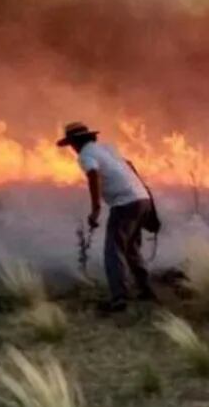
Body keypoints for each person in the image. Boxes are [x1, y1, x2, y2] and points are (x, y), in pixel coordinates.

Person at [57, 122, 155, 314]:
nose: (72, 149)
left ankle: (119, 298)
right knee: (131, 248)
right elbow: (130, 165)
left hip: (125, 203)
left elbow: (93, 175)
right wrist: (144, 194)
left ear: (76, 143)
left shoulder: (86, 155)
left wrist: (96, 209)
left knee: (114, 250)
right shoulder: (106, 149)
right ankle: (146, 289)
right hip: (142, 198)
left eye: (72, 144)